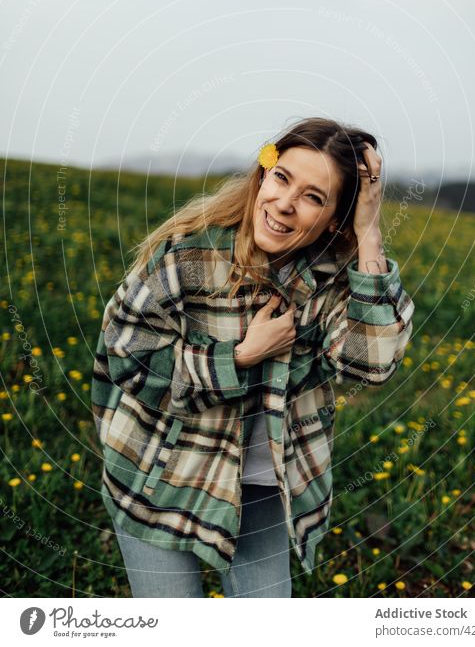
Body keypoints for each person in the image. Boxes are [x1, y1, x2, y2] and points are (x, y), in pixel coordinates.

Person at [91, 116, 415, 598]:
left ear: (334, 219)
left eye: (313, 197)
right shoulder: (188, 255)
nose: (284, 204)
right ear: (264, 173)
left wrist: (368, 234)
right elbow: (128, 359)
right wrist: (240, 357)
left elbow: (370, 363)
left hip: (261, 488)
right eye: (282, 178)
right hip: (156, 476)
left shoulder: (334, 280)